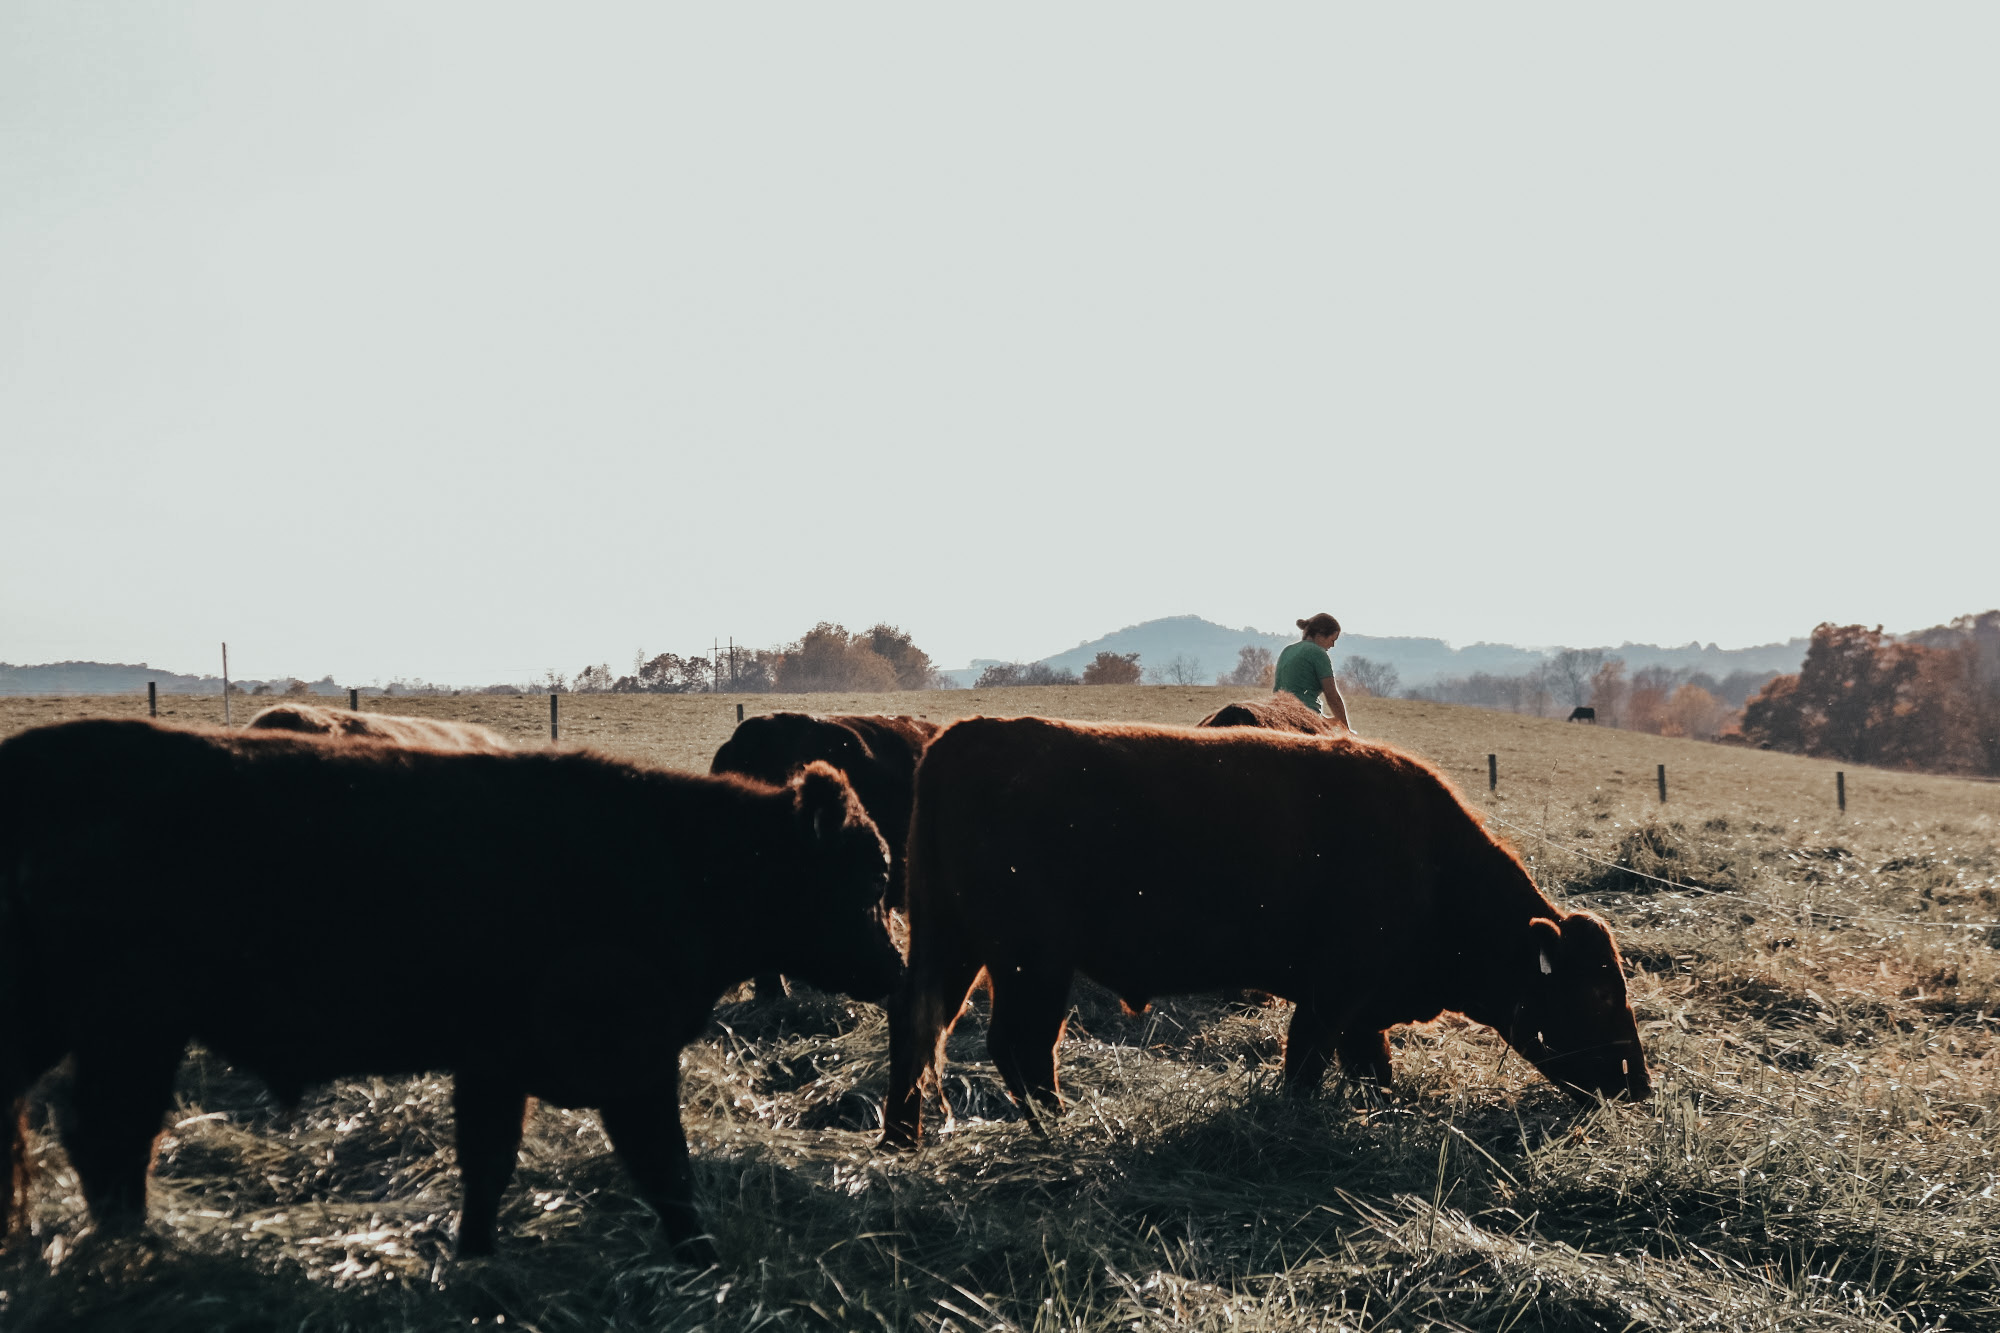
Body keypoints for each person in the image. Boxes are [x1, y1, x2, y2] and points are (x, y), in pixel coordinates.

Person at [1273, 613, 1354, 731]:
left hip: (1279, 713)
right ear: (1320, 635)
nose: (1333, 645)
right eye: (1332, 639)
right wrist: (1347, 729)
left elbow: (1293, 689)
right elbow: (1332, 696)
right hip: (1304, 718)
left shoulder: (1287, 650)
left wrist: (1324, 719)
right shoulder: (1318, 653)